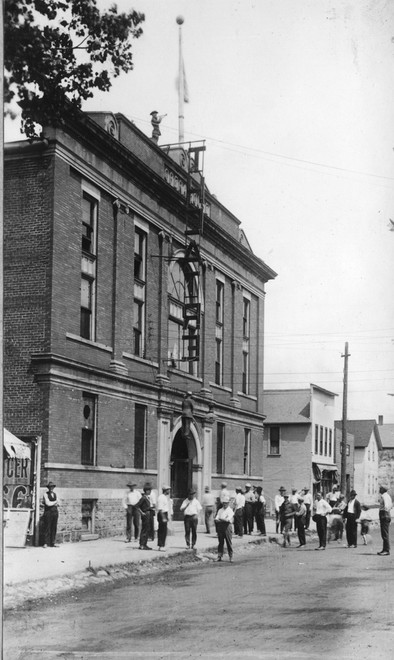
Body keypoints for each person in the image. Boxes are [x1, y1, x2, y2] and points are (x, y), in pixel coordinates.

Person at [215, 495, 234, 562]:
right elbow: (216, 519)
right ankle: (219, 556)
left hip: (227, 527)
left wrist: (221, 519)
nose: (224, 504)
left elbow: (228, 520)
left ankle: (231, 556)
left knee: (228, 542)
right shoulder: (220, 510)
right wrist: (221, 519)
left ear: (228, 503)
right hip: (220, 527)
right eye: (223, 503)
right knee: (220, 542)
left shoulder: (230, 510)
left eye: (226, 503)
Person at [136, 482, 155, 550]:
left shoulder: (147, 498)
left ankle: (144, 544)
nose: (150, 492)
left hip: (148, 514)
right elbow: (137, 506)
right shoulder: (143, 498)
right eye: (149, 490)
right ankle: (142, 545)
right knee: (144, 530)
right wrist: (142, 513)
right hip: (145, 515)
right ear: (147, 491)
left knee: (147, 529)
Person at [42, 481, 60, 548]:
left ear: (54, 487)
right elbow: (47, 503)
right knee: (47, 527)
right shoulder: (45, 494)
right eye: (50, 487)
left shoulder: (55, 494)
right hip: (48, 512)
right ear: (48, 488)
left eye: (52, 487)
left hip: (55, 512)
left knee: (54, 527)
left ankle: (53, 542)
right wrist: (55, 502)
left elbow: (59, 503)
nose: (51, 488)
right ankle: (46, 543)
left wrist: (54, 503)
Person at [377, 485, 392, 556]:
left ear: (383, 490)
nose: (379, 489)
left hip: (384, 514)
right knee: (385, 533)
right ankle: (385, 548)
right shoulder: (388, 496)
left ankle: (386, 550)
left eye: (380, 488)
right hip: (387, 514)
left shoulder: (384, 496)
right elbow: (390, 505)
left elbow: (386, 506)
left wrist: (383, 512)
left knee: (384, 533)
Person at [157, 485, 173, 551]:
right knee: (162, 531)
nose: (169, 491)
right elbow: (160, 509)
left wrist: (167, 516)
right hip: (162, 514)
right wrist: (163, 517)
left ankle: (162, 544)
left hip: (164, 514)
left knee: (164, 531)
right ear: (165, 490)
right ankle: (161, 546)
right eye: (168, 490)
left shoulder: (164, 497)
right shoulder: (161, 497)